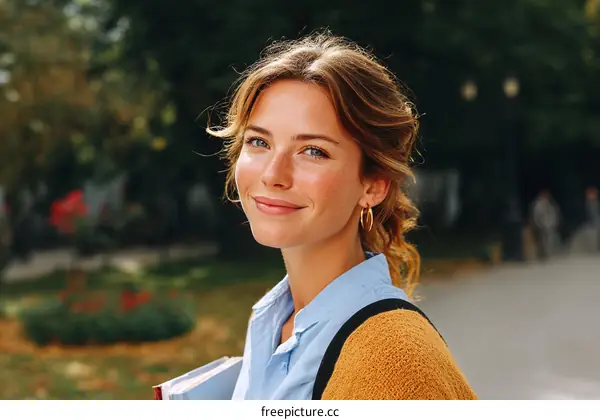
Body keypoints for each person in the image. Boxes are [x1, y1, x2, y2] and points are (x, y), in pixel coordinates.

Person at [207, 33, 476, 400]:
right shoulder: (271, 321)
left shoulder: (394, 360)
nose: (273, 174)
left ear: (373, 185)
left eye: (313, 151)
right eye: (259, 142)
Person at [530, 189, 561, 260]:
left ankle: (548, 254)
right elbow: (536, 216)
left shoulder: (550, 204)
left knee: (549, 241)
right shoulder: (538, 205)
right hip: (541, 226)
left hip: (549, 226)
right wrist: (539, 225)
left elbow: (554, 214)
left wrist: (554, 223)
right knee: (542, 242)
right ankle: (542, 255)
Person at [585, 186, 600, 251]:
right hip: (591, 223)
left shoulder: (597, 204)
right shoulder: (587, 204)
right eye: (589, 194)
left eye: (592, 194)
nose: (590, 196)